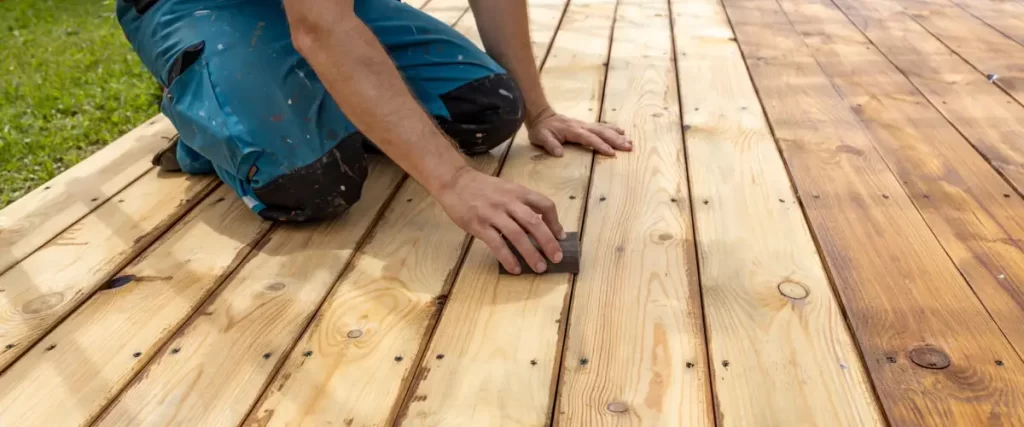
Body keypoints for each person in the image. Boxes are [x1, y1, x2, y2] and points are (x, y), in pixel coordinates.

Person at [116, 0, 631, 274]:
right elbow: (318, 25)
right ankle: (204, 116)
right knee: (309, 183)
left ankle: (315, 94)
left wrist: (537, 111)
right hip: (197, 4)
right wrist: (453, 180)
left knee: (489, 108)